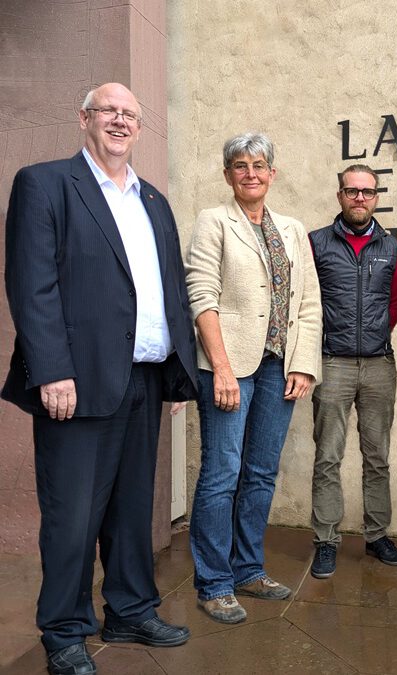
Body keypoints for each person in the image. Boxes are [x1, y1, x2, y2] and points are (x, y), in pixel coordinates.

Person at [2, 83, 198, 675]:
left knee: (134, 508)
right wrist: (52, 371)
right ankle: (63, 628)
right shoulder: (45, 184)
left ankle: (130, 608)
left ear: (140, 127)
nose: (119, 121)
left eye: (130, 114)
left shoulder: (153, 201)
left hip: (143, 379)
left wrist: (176, 375)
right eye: (108, 111)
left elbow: (170, 291)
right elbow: (31, 286)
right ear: (83, 118)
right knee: (72, 515)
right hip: (77, 383)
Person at [185, 132, 322, 624]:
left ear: (272, 173)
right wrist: (219, 367)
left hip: (278, 367)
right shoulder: (214, 221)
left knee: (261, 473)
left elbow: (308, 302)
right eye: (240, 166)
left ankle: (247, 569)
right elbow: (201, 293)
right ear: (228, 175)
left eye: (259, 165)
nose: (250, 173)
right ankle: (214, 583)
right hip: (230, 366)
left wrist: (303, 363)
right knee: (222, 473)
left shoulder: (292, 228)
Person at [307, 164, 397, 578]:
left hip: (380, 364)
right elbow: (307, 303)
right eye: (352, 191)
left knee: (377, 455)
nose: (360, 198)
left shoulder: (392, 247)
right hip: (333, 363)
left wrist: (375, 336)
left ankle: (376, 535)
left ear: (377, 196)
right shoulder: (316, 244)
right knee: (328, 456)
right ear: (340, 195)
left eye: (367, 192)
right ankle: (326, 539)